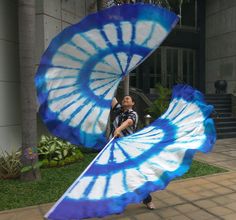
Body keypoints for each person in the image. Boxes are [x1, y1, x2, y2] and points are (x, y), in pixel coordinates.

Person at [110, 95, 155, 210]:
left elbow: (129, 122)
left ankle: (147, 199)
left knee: (133, 176)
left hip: (127, 150)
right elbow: (112, 97)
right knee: (115, 176)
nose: (125, 99)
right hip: (114, 149)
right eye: (124, 98)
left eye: (128, 99)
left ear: (133, 103)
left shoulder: (133, 114)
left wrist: (119, 129)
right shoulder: (119, 111)